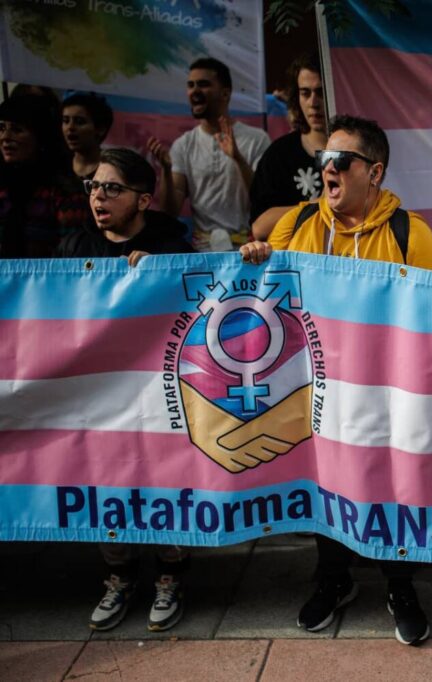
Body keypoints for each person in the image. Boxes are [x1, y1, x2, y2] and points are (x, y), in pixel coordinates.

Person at [240, 114, 432, 644]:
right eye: (323, 160)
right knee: (323, 484)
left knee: (391, 489)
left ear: (373, 173)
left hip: (385, 395)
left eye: (341, 161)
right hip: (316, 391)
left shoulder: (411, 233)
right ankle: (333, 580)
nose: (327, 169)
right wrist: (258, 258)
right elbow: (265, 291)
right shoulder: (300, 223)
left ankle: (399, 585)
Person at [56, 147, 194, 632]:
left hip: (158, 392)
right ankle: (120, 576)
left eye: (112, 188)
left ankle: (171, 575)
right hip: (97, 396)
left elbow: (201, 308)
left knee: (163, 478)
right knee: (106, 481)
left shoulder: (173, 245)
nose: (98, 196)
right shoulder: (73, 249)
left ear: (143, 199)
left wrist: (159, 276)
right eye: (93, 186)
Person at [148, 57, 270, 252]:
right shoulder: (183, 145)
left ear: (225, 93)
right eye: (190, 85)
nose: (194, 91)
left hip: (249, 251)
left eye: (203, 84)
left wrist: (237, 158)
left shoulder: (257, 139)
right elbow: (170, 212)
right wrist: (166, 171)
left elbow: (264, 200)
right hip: (201, 255)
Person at [248, 52, 327, 240]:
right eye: (305, 93)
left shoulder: (356, 150)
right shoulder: (279, 155)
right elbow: (259, 228)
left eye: (321, 92)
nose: (313, 103)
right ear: (296, 97)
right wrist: (317, 206)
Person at [0, 95, 88, 258]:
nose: (5, 137)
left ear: (40, 137)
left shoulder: (64, 192)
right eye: (2, 128)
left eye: (17, 130)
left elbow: (71, 258)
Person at [61, 92, 114, 182]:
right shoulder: (55, 165)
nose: (70, 127)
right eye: (66, 121)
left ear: (101, 129)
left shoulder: (112, 171)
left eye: (79, 121)